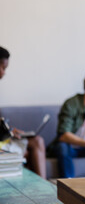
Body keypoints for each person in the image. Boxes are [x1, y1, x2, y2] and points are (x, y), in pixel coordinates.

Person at [0, 46, 47, 179]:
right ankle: (44, 189)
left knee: (37, 141)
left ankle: (43, 188)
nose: (4, 73)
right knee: (36, 144)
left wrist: (10, 131)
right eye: (3, 68)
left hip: (3, 140)